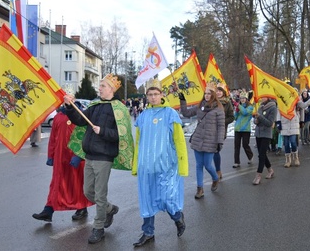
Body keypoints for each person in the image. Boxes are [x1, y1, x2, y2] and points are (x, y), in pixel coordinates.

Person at [64, 74, 134, 244]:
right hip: (89, 155)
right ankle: (110, 209)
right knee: (88, 192)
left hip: (104, 157)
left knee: (100, 195)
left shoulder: (119, 109)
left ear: (111, 89)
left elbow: (121, 135)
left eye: (102, 85)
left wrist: (102, 131)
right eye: (100, 85)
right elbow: (80, 120)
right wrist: (70, 107)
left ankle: (98, 228)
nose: (99, 88)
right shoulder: (95, 105)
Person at [131, 83, 188, 247]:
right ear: (147, 97)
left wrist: (183, 165)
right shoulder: (143, 116)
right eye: (150, 95)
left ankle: (178, 217)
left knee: (166, 197)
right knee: (147, 200)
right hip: (146, 167)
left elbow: (179, 140)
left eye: (156, 94)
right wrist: (137, 165)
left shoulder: (170, 114)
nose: (153, 97)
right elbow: (139, 142)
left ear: (162, 95)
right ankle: (148, 232)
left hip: (167, 166)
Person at [32, 105, 94, 222]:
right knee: (56, 183)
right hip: (60, 156)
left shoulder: (79, 116)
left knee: (76, 183)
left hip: (74, 157)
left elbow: (85, 137)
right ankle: (48, 210)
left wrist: (79, 155)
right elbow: (53, 138)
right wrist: (51, 155)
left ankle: (82, 207)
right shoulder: (58, 117)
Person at [179, 83, 225, 199]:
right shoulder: (200, 106)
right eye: (205, 93)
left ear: (213, 95)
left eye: (209, 93)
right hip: (198, 139)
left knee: (208, 165)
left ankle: (215, 178)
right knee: (199, 165)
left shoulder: (219, 109)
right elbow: (186, 113)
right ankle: (200, 189)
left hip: (211, 141)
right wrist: (182, 100)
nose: (207, 95)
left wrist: (219, 142)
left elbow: (221, 126)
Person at [253, 97, 277, 185]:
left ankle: (258, 175)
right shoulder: (260, 107)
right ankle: (270, 170)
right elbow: (257, 121)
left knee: (262, 155)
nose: (262, 98)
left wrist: (259, 117)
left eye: (264, 97)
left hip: (266, 134)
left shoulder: (273, 108)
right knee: (261, 154)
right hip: (258, 133)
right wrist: (255, 120)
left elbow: (269, 123)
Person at [214, 83, 234, 179]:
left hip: (221, 130)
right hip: (211, 130)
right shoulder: (211, 102)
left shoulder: (227, 103)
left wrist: (222, 121)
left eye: (220, 91)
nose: (218, 93)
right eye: (217, 91)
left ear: (223, 92)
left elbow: (231, 117)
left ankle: (218, 171)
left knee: (216, 150)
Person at [233, 91, 254, 168]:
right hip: (238, 129)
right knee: (236, 146)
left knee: (245, 145)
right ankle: (236, 161)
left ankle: (250, 156)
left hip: (245, 129)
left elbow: (245, 112)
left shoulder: (250, 107)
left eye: (243, 98)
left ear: (246, 99)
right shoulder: (239, 107)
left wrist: (238, 106)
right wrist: (236, 111)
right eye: (241, 98)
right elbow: (235, 118)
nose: (242, 100)